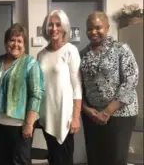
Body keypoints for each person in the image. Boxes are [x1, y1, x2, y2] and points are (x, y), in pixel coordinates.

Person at [80, 11, 139, 165]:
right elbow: (78, 86)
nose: (93, 32)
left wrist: (107, 111)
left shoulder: (121, 49)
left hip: (120, 114)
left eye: (98, 27)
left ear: (107, 27)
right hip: (92, 115)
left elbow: (131, 80)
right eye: (89, 28)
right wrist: (86, 109)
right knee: (95, 158)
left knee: (115, 160)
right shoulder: (83, 55)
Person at [0, 23, 45, 165]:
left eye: (19, 41)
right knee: (1, 161)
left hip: (19, 126)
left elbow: (36, 94)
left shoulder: (31, 64)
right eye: (12, 40)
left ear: (24, 44)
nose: (15, 44)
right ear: (6, 42)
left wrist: (29, 124)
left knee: (20, 161)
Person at [37, 10, 82, 165]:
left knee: (65, 159)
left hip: (65, 115)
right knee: (53, 157)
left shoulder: (70, 50)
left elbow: (77, 86)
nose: (54, 28)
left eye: (58, 24)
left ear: (64, 27)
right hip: (47, 114)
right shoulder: (41, 54)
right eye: (50, 25)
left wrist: (76, 117)